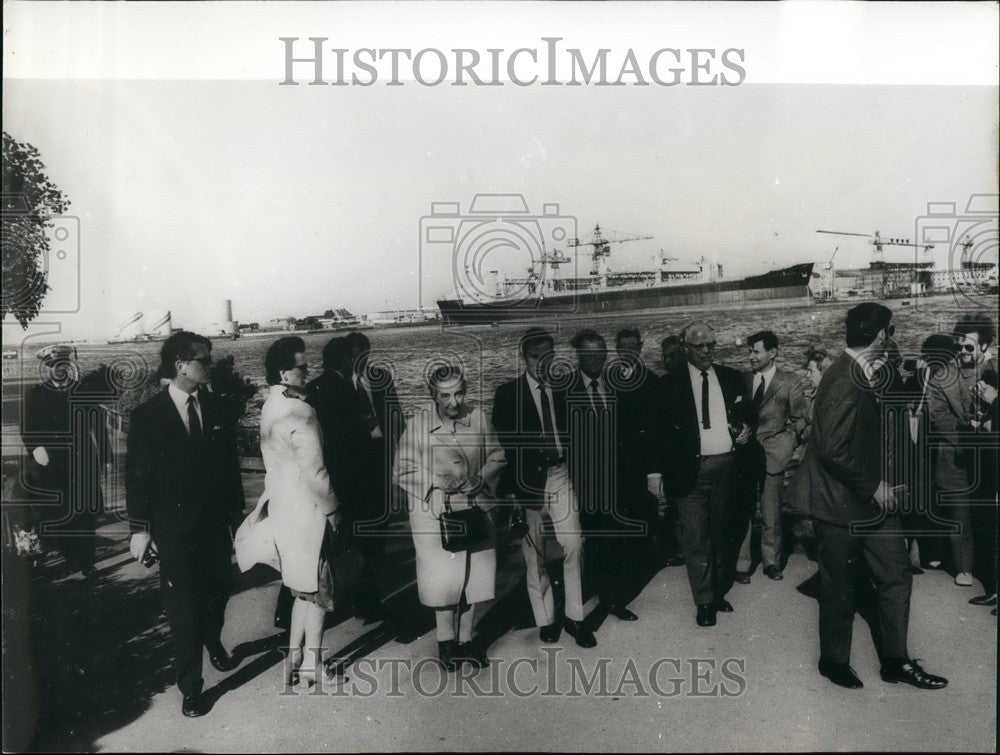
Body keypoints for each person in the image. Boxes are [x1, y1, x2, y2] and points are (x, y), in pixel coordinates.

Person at [804, 303, 947, 690]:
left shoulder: (862, 372)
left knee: (896, 575)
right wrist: (874, 486)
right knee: (838, 585)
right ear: (881, 335)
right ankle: (833, 661)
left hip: (872, 504)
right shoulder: (845, 378)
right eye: (892, 331)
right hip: (842, 504)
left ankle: (896, 661)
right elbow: (832, 448)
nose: (893, 338)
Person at [126, 331, 245, 717]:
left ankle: (213, 639)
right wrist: (141, 529)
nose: (209, 365)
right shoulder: (148, 416)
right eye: (203, 359)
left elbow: (229, 468)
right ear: (181, 365)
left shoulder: (217, 408)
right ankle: (191, 688)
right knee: (184, 608)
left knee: (220, 590)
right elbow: (138, 477)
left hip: (215, 527)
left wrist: (237, 514)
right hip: (173, 531)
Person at [235, 337, 341, 688]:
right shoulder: (301, 411)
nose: (308, 370)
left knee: (300, 588)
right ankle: (312, 663)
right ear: (284, 371)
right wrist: (333, 509)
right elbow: (316, 471)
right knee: (320, 590)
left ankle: (295, 656)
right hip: (310, 510)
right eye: (302, 366)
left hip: (283, 506)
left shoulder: (271, 405)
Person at [394, 364, 506, 670]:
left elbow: (498, 455)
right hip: (435, 513)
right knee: (444, 581)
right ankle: (446, 644)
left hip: (475, 508)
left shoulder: (479, 418)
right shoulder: (418, 426)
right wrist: (435, 485)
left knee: (475, 578)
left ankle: (467, 641)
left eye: (459, 393)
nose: (454, 402)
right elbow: (402, 469)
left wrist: (482, 478)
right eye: (445, 396)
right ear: (433, 395)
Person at [492, 327, 595, 648]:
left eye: (547, 356)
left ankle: (576, 618)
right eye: (535, 357)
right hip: (528, 485)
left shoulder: (566, 388)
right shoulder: (507, 395)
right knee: (534, 557)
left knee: (574, 544)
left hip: (561, 474)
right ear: (524, 358)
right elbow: (504, 450)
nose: (542, 363)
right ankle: (547, 620)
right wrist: (509, 495)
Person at [647, 321, 753, 627]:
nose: (706, 351)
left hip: (726, 468)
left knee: (721, 535)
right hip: (687, 471)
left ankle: (717, 591)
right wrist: (654, 474)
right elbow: (657, 434)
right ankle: (704, 601)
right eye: (699, 346)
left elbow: (747, 414)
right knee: (696, 537)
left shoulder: (732, 379)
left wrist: (747, 429)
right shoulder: (669, 385)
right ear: (685, 349)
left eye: (711, 345)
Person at [21, 345, 112, 577]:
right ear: (47, 368)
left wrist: (107, 457)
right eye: (54, 366)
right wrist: (36, 448)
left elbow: (99, 426)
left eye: (62, 365)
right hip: (52, 463)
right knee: (62, 513)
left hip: (84, 461)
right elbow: (28, 427)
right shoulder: (37, 393)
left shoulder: (83, 390)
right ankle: (71, 557)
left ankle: (87, 562)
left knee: (86, 513)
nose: (59, 370)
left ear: (68, 366)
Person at [567, 329, 638, 622]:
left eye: (601, 354)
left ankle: (612, 600)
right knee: (587, 543)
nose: (596, 359)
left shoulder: (616, 384)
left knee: (613, 542)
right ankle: (587, 600)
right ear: (578, 356)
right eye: (590, 354)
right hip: (581, 482)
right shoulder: (565, 390)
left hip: (614, 479)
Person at [735, 331, 808, 583]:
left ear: (773, 352)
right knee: (742, 509)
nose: (750, 356)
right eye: (749, 351)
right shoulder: (742, 379)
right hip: (744, 455)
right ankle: (742, 563)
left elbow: (800, 420)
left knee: (771, 511)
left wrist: (788, 445)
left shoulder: (789, 381)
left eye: (756, 351)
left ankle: (772, 562)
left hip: (773, 454)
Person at [344, 331, 406, 622]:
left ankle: (370, 599)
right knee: (356, 536)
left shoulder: (380, 378)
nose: (360, 358)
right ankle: (357, 597)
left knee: (379, 532)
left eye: (364, 352)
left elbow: (396, 417)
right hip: (354, 471)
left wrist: (404, 456)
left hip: (381, 464)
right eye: (355, 353)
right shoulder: (339, 384)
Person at [614, 328, 683, 570]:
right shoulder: (607, 379)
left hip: (643, 459)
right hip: (618, 459)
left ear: (640, 348)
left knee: (646, 508)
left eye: (633, 348)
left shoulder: (652, 381)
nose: (628, 352)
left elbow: (656, 428)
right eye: (623, 348)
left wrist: (654, 470)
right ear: (616, 349)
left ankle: (646, 559)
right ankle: (629, 558)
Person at [951, 314, 998, 593]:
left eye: (969, 347)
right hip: (977, 454)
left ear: (985, 346)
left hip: (991, 456)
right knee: (983, 520)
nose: (962, 352)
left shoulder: (993, 370)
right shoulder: (958, 370)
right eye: (959, 346)